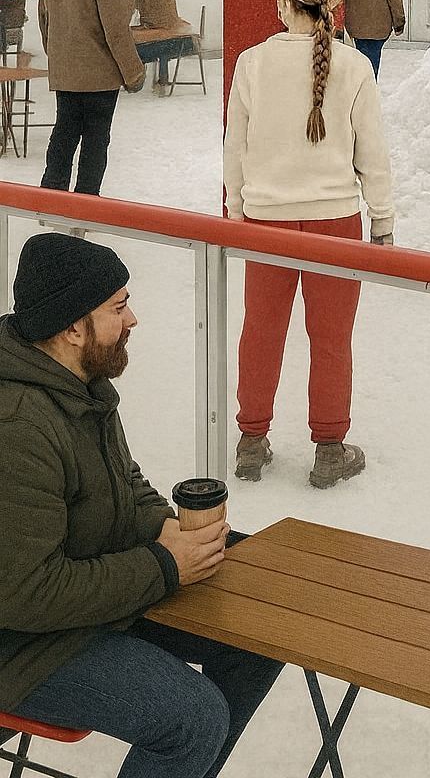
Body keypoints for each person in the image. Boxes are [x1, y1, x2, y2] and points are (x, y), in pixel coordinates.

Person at [0, 233, 283, 776]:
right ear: (72, 327)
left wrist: (179, 533)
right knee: (191, 718)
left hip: (81, 599)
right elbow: (24, 593)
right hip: (22, 644)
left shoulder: (79, 382)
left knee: (260, 625)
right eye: (119, 306)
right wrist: (163, 564)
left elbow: (125, 486)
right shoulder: (18, 427)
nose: (133, 319)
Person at [224, 0, 394, 489]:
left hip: (265, 220)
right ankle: (329, 447)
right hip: (336, 222)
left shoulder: (251, 63)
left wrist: (234, 212)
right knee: (331, 337)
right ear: (336, 6)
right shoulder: (355, 66)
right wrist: (383, 220)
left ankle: (252, 439)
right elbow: (374, 152)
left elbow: (236, 151)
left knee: (261, 331)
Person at [38, 0, 145, 195]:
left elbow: (44, 17)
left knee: (64, 134)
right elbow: (117, 30)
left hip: (66, 73)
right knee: (95, 143)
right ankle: (86, 207)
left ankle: (51, 199)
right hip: (99, 77)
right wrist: (134, 74)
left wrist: (59, 55)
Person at [128, 0, 190, 94]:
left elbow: (129, 8)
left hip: (154, 31)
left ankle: (136, 78)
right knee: (163, 49)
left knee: (131, 39)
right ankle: (163, 79)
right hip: (172, 29)